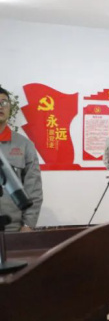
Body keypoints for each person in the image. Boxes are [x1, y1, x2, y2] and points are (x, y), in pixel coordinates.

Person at [0, 87, 42, 232]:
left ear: (10, 108)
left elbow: (33, 188)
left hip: (12, 229)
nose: (0, 106)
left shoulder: (24, 145)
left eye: (4, 102)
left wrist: (28, 224)